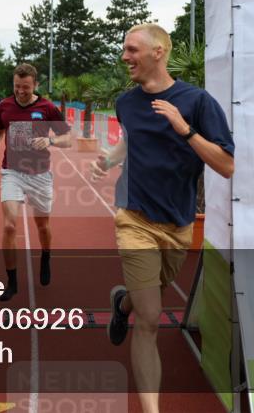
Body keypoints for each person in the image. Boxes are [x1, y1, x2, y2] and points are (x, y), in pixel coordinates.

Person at [90, 24, 234, 413]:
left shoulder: (198, 102)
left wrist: (185, 130)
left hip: (179, 224)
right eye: (124, 49)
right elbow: (131, 140)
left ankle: (122, 304)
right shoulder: (127, 103)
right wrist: (108, 161)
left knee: (144, 298)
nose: (125, 57)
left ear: (158, 52)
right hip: (134, 218)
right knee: (150, 318)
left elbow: (226, 165)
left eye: (132, 50)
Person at [0, 63, 72, 302]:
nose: (20, 92)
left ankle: (46, 256)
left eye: (26, 88)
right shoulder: (5, 106)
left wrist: (50, 142)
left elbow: (68, 138)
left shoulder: (47, 108)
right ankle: (12, 282)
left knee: (43, 227)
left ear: (35, 85)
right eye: (17, 87)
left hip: (39, 174)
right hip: (12, 172)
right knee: (9, 226)